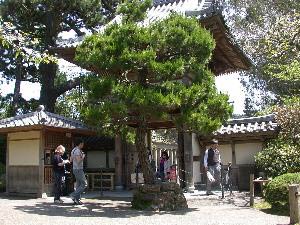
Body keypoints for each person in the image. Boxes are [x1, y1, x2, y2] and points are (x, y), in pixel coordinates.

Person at [69, 138, 87, 205]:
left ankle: (77, 199)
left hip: (75, 169)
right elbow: (79, 161)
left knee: (79, 184)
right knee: (84, 184)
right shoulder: (77, 151)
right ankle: (73, 195)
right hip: (78, 169)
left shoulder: (73, 150)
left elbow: (70, 160)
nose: (83, 145)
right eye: (82, 144)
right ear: (80, 144)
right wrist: (83, 157)